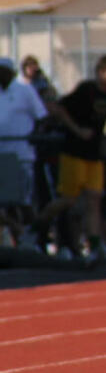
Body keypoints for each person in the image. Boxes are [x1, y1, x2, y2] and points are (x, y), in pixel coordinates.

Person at [39, 54, 106, 260]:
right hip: (74, 152)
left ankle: (94, 246)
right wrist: (77, 130)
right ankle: (36, 229)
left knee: (94, 199)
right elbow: (60, 108)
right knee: (68, 200)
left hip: (93, 156)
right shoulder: (86, 90)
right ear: (100, 72)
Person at [0, 57, 48, 246]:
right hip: (2, 155)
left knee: (22, 200)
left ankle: (32, 236)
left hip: (21, 155)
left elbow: (42, 116)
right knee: (5, 201)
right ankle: (17, 237)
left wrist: (33, 136)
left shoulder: (24, 90)